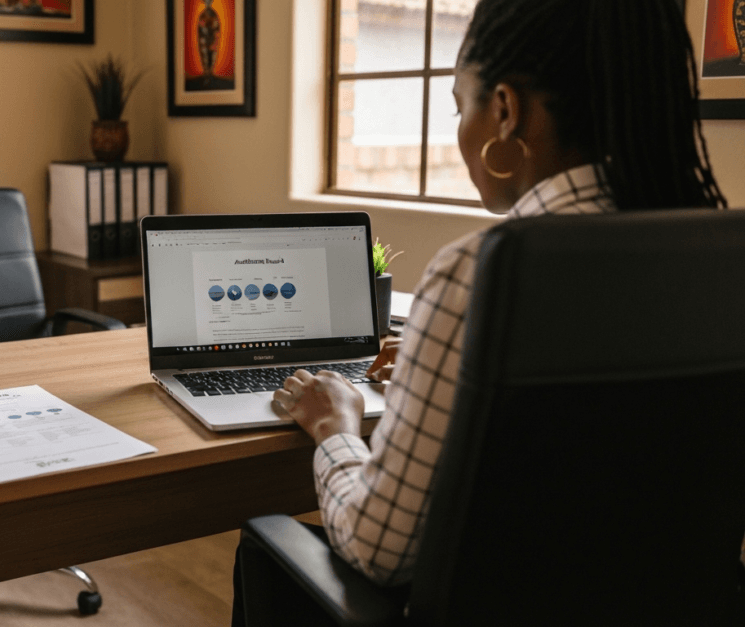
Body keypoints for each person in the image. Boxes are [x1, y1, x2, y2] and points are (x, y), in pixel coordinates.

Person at [233, 1, 728, 622]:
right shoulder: (718, 259)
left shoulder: (483, 273)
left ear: (505, 111)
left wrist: (335, 425)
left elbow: (379, 548)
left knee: (265, 540)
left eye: (459, 105)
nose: (459, 129)